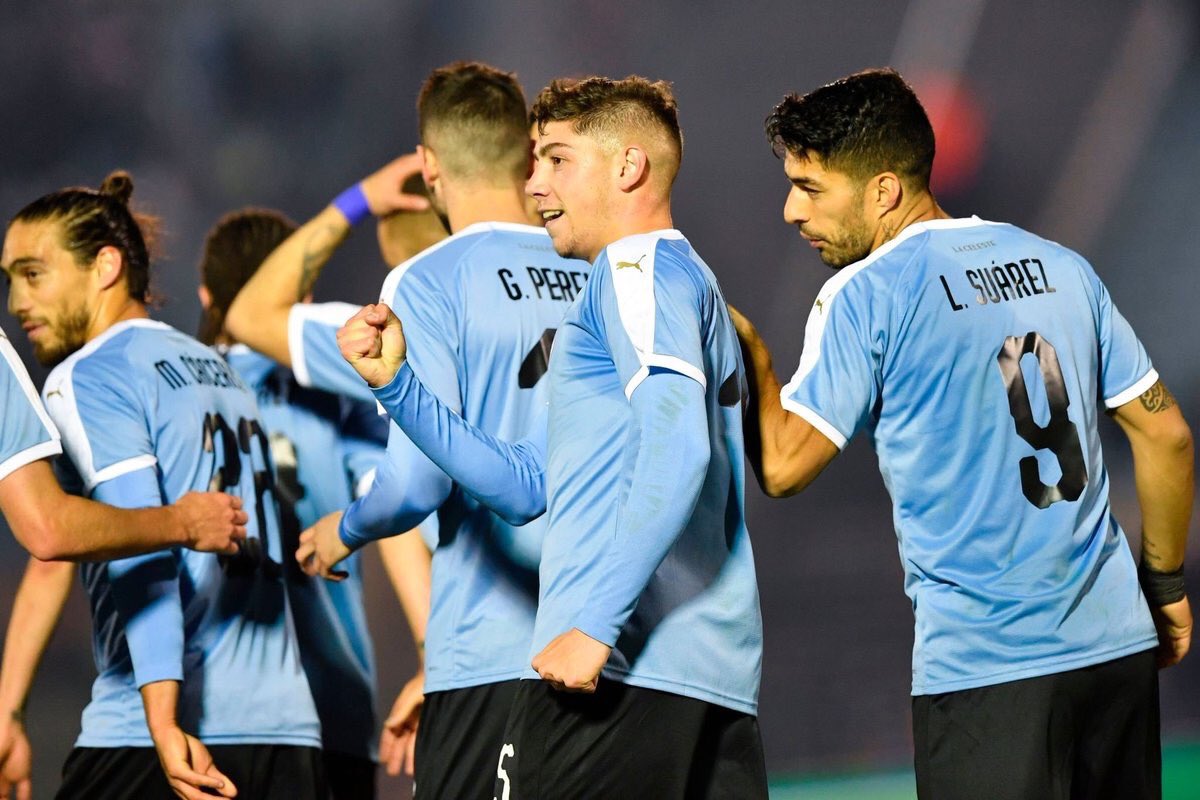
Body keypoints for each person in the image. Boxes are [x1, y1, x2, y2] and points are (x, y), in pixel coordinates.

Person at [732, 68, 1194, 799]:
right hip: (1116, 659)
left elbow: (785, 465)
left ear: (884, 191)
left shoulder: (865, 294)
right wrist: (1163, 586)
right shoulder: (1063, 268)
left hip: (989, 673)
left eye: (811, 188)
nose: (791, 211)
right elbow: (1166, 436)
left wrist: (751, 357)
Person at [335, 74, 767, 799]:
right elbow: (528, 485)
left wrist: (595, 625)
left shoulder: (636, 268)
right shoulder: (686, 283)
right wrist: (399, 387)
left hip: (624, 676)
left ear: (628, 167)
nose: (533, 185)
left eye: (557, 160)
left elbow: (679, 447)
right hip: (715, 681)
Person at [295, 61, 590, 799]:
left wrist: (345, 531)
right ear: (530, 153)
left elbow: (415, 483)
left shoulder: (428, 279)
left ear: (428, 166)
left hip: (496, 657)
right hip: (619, 648)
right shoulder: (602, 269)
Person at [0, 172, 324, 800]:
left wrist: (162, 720)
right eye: (10, 279)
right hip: (286, 731)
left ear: (105, 266)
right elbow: (61, 549)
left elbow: (140, 542)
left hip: (162, 736)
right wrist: (10, 709)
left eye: (33, 274)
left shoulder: (89, 377)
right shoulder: (218, 370)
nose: (17, 302)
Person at [198, 208, 435, 799]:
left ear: (205, 294)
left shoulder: (178, 389)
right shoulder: (339, 390)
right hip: (335, 707)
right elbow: (396, 507)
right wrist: (435, 651)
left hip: (207, 712)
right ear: (300, 295)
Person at [0, 332, 246, 562]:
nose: (16, 303)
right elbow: (48, 528)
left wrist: (186, 523)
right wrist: (185, 522)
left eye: (33, 282)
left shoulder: (87, 376)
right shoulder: (229, 371)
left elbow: (48, 528)